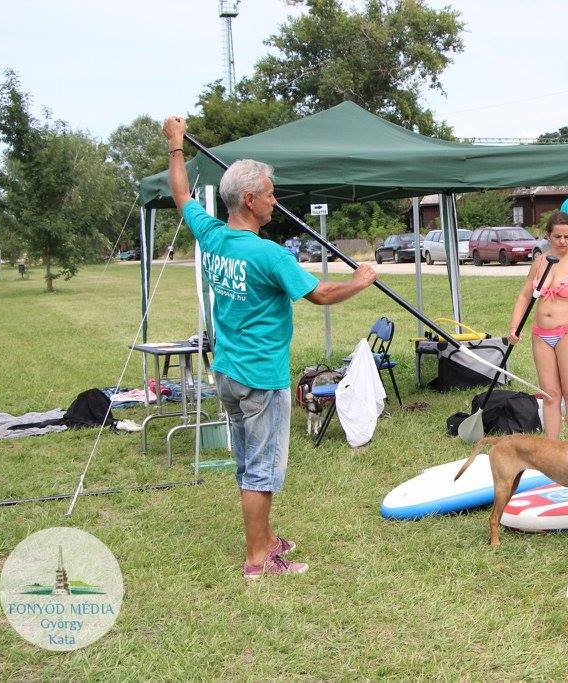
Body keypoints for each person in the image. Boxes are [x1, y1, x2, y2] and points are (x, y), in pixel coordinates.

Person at [162, 116, 377, 580]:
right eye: (270, 192)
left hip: (228, 372)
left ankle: (264, 540)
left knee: (247, 461)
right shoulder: (270, 255)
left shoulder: (213, 234)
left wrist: (176, 147)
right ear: (249, 200)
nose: (275, 199)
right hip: (261, 376)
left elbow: (181, 196)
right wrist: (360, 281)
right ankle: (259, 559)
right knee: (261, 469)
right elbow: (319, 295)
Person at [507, 211, 568, 439]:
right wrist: (514, 327)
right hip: (541, 334)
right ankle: (552, 448)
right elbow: (524, 296)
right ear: (548, 236)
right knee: (550, 394)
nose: (563, 241)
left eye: (567, 236)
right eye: (557, 236)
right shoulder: (540, 262)